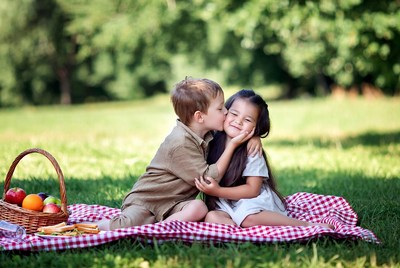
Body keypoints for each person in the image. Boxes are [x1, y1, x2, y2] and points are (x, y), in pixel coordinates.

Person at [97, 78, 257, 231]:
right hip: (148, 201)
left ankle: (160, 229)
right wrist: (233, 145)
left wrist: (254, 138)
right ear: (200, 117)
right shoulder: (180, 143)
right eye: (220, 108)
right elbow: (209, 180)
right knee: (126, 225)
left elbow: (232, 132)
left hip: (175, 204)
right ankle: (96, 226)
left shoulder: (205, 133)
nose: (226, 112)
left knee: (199, 207)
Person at [195, 89, 334, 229]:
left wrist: (217, 191)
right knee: (212, 217)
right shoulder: (211, 138)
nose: (238, 121)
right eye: (234, 113)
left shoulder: (252, 150)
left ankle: (307, 225)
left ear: (256, 128)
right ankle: (239, 230)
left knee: (248, 219)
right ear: (225, 111)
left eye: (247, 119)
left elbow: (252, 190)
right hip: (225, 202)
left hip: (252, 201)